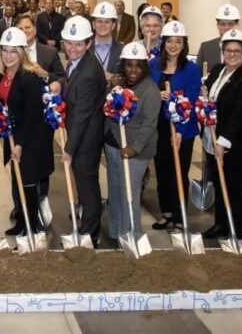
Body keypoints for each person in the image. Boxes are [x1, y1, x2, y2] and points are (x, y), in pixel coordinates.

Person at [201, 29, 242, 240]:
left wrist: (223, 142)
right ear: (222, 52)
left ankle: (237, 229)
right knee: (219, 183)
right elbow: (209, 96)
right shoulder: (218, 70)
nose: (232, 55)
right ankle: (221, 223)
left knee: (235, 186)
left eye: (237, 51)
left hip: (235, 144)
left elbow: (240, 115)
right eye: (228, 50)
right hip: (213, 137)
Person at [0, 27, 54, 236]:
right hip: (15, 135)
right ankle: (21, 223)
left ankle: (31, 229)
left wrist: (20, 145)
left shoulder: (29, 77)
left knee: (27, 184)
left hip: (31, 138)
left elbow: (32, 115)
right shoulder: (5, 74)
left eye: (14, 51)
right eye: (5, 50)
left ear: (22, 53)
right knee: (17, 181)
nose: (8, 56)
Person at [104, 42, 160, 246]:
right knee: (116, 189)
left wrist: (134, 148)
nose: (133, 70)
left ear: (144, 67)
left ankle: (132, 235)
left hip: (136, 150)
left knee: (130, 192)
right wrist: (111, 88)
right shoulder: (120, 85)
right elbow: (108, 107)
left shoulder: (150, 90)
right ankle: (116, 231)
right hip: (112, 145)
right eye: (129, 65)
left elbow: (149, 124)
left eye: (138, 65)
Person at [149, 20, 201, 231]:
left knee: (178, 171)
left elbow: (192, 98)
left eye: (178, 41)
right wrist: (156, 94)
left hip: (182, 128)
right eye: (169, 41)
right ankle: (167, 212)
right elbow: (145, 90)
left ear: (184, 44)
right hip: (159, 126)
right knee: (161, 170)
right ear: (163, 43)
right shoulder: (153, 65)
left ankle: (180, 216)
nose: (173, 45)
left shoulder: (192, 69)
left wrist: (179, 131)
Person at [60, 15, 107, 246]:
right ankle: (87, 227)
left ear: (88, 43)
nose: (72, 48)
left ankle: (90, 234)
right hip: (82, 134)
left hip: (86, 138)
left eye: (78, 44)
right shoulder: (78, 63)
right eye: (69, 43)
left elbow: (82, 116)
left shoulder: (89, 72)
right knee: (85, 183)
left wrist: (69, 149)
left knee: (87, 186)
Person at [195, 4, 242, 72]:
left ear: (237, 24)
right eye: (222, 24)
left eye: (230, 24)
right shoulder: (205, 47)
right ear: (217, 25)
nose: (226, 28)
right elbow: (197, 74)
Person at [90, 2, 123, 78]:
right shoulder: (84, 49)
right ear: (93, 24)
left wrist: (112, 77)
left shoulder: (122, 50)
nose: (103, 25)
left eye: (107, 22)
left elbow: (128, 79)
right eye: (99, 21)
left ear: (113, 25)